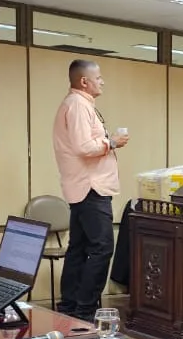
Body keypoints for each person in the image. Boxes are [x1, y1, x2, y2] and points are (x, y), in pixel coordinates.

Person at [53, 60, 128, 322]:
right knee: (102, 248)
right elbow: (85, 147)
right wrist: (112, 142)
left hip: (84, 186)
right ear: (84, 81)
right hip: (91, 187)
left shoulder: (79, 104)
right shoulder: (77, 106)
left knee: (79, 248)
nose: (102, 81)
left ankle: (71, 307)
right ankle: (84, 310)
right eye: (98, 77)